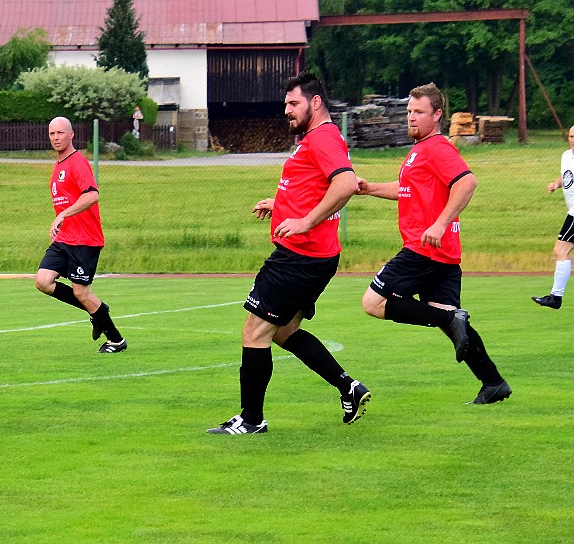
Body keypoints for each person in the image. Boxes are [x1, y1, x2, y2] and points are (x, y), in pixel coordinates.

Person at [207, 71, 371, 435]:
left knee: (255, 330)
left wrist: (305, 222)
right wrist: (281, 205)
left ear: (315, 102)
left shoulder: (324, 137)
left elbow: (345, 183)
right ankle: (348, 387)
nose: (287, 110)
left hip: (299, 255)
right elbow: (307, 186)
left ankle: (251, 420)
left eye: (293, 103)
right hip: (314, 255)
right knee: (283, 331)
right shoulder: (313, 138)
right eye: (285, 104)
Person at [356, 82, 511, 405]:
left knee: (373, 303)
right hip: (442, 254)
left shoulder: (438, 148)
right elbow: (405, 189)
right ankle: (493, 382)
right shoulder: (419, 151)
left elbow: (467, 182)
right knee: (452, 321)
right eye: (410, 111)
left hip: (423, 248)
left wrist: (439, 224)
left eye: (419, 112)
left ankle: (452, 323)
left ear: (437, 115)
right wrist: (369, 188)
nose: (411, 118)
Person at [34, 116, 126, 353]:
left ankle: (115, 339)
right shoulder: (57, 166)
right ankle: (98, 310)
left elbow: (92, 195)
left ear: (71, 135)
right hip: (65, 239)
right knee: (43, 281)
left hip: (85, 240)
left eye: (60, 133)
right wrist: (61, 222)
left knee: (81, 291)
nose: (56, 138)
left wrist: (62, 214)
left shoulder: (77, 162)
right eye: (52, 133)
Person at [531, 124, 574, 309]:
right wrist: (556, 184)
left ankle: (556, 297)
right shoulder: (566, 156)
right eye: (571, 136)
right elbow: (567, 175)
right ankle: (555, 297)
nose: (573, 139)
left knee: (560, 251)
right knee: (561, 252)